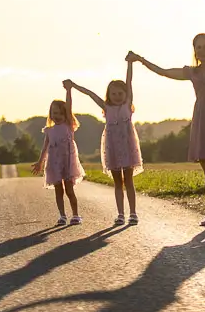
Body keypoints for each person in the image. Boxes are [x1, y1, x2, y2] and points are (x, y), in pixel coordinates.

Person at [133, 0, 205, 228]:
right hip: (202, 121)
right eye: (197, 47)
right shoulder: (192, 72)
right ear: (195, 50)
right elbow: (163, 72)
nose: (202, 50)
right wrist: (141, 60)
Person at [66, 60, 142, 225]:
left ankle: (133, 213)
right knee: (117, 182)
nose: (117, 96)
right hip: (112, 148)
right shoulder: (107, 108)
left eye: (120, 93)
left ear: (125, 94)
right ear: (109, 95)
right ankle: (120, 214)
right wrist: (73, 86)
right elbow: (90, 93)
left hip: (128, 148)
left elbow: (129, 81)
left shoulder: (127, 105)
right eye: (113, 94)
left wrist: (130, 64)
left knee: (129, 180)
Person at [33, 96, 83, 226]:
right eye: (55, 113)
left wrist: (69, 90)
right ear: (50, 114)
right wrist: (40, 162)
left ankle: (76, 215)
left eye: (61, 113)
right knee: (58, 191)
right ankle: (62, 215)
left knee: (69, 190)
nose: (58, 116)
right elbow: (45, 147)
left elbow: (69, 106)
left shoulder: (68, 126)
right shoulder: (49, 131)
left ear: (66, 114)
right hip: (54, 163)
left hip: (67, 163)